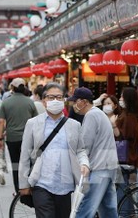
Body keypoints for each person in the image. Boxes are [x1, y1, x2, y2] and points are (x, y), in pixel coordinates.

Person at [19, 83, 90, 218]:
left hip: (66, 185)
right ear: (44, 101)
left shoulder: (74, 125)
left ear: (64, 100)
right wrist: (23, 184)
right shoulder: (33, 123)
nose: (55, 101)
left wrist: (84, 163)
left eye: (59, 97)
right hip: (41, 183)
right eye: (51, 97)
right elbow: (24, 155)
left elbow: (80, 150)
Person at [71, 87, 119, 218]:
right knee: (108, 208)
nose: (74, 104)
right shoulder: (98, 113)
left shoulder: (91, 115)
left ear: (84, 102)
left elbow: (85, 145)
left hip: (100, 166)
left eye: (76, 101)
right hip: (108, 165)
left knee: (87, 207)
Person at [0, 77, 38, 193]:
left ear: (12, 88)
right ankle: (28, 188)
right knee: (27, 163)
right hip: (28, 139)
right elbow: (36, 121)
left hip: (12, 138)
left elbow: (1, 122)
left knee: (15, 165)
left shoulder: (6, 102)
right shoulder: (30, 102)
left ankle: (17, 189)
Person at [115, 86, 138, 212]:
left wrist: (115, 130)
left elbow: (125, 137)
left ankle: (125, 214)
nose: (120, 99)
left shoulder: (129, 117)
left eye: (122, 97)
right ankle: (129, 213)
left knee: (122, 188)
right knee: (124, 188)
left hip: (124, 157)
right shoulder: (129, 115)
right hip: (126, 156)